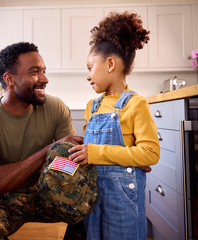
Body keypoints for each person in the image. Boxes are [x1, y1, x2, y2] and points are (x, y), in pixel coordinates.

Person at [0, 42, 85, 240]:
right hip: (3, 199)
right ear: (9, 79)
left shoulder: (56, 107)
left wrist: (124, 159)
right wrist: (50, 150)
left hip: (47, 191)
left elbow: (72, 159)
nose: (45, 79)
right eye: (34, 72)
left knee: (93, 207)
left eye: (44, 71)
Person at [67, 12, 160, 240]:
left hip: (123, 202)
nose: (88, 76)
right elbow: (89, 153)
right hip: (93, 198)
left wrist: (96, 153)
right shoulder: (92, 107)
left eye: (90, 67)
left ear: (110, 64)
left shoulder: (136, 104)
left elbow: (150, 153)